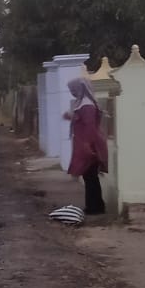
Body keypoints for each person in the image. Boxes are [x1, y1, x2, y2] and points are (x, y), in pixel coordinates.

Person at [65, 75, 108, 215]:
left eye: (73, 90)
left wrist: (87, 145)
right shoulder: (84, 104)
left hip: (89, 145)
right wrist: (71, 117)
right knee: (90, 177)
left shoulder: (86, 105)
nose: (72, 93)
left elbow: (90, 126)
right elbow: (83, 121)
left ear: (80, 88)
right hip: (88, 144)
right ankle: (96, 206)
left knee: (90, 177)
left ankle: (94, 207)